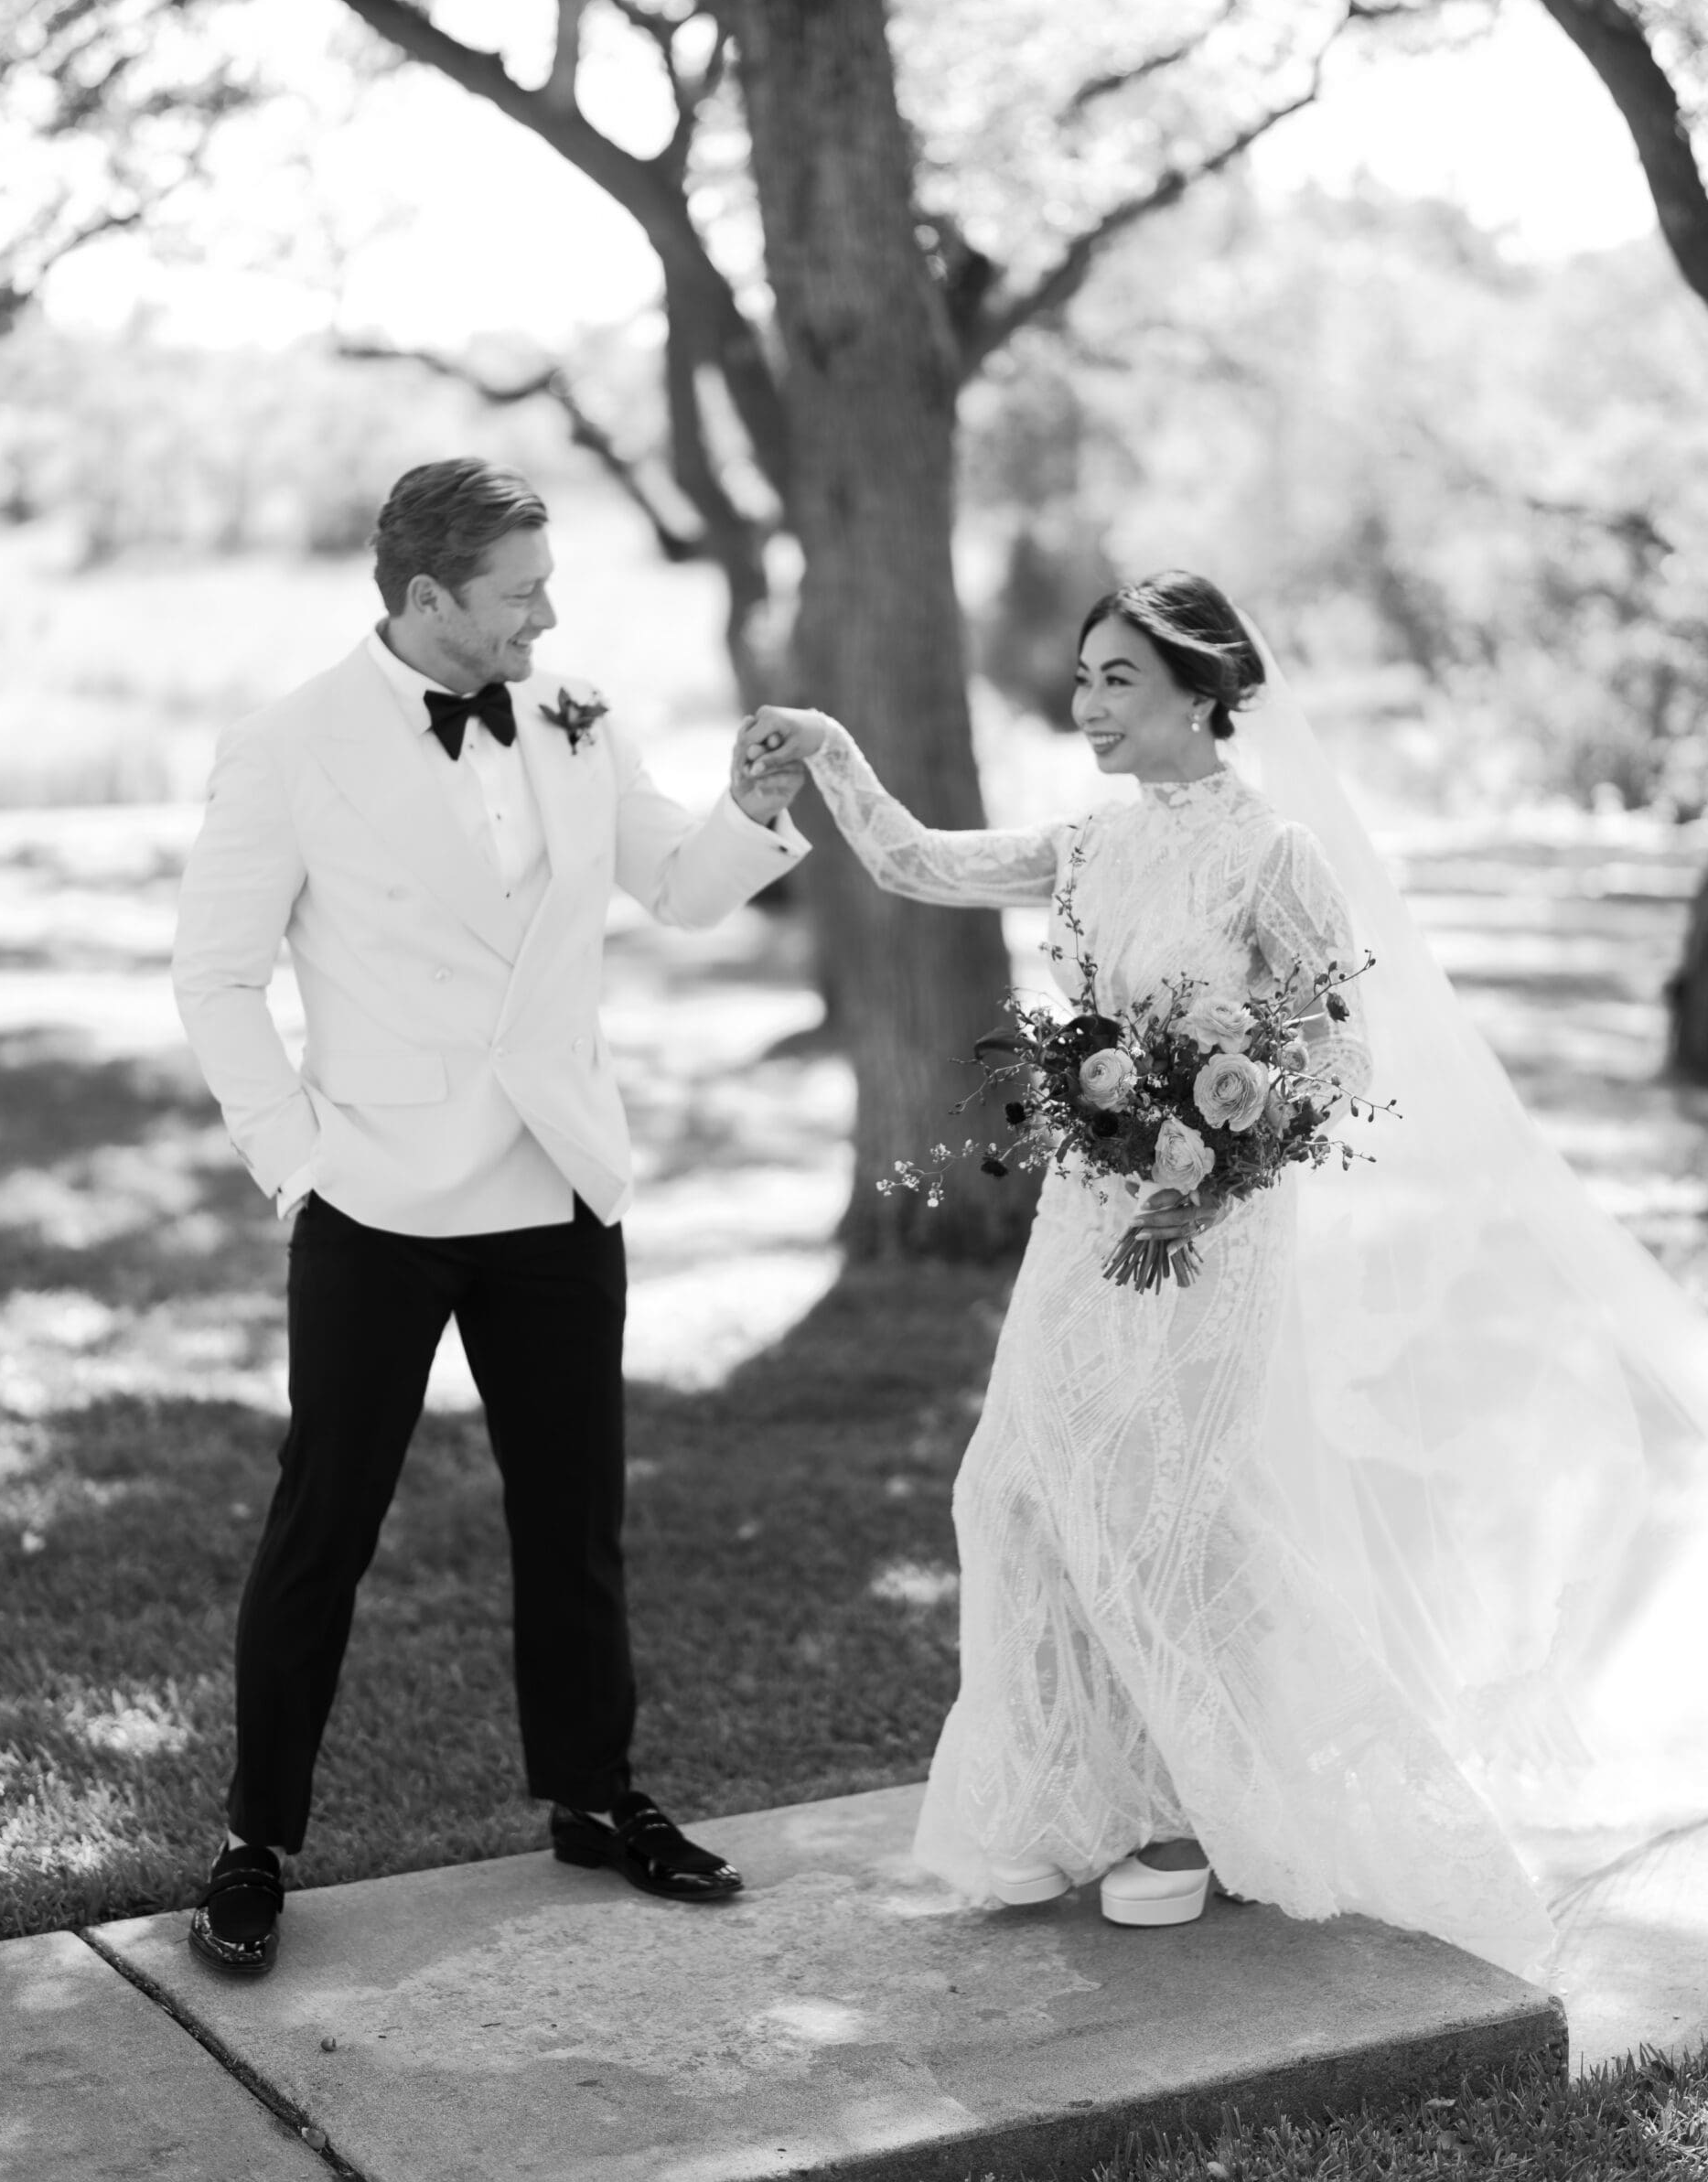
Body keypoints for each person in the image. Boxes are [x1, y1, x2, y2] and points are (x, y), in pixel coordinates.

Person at [741, 571, 1708, 1979]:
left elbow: (1336, 1058)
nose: (1088, 709)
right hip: (1085, 1217)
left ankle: (1199, 1812)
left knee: (1172, 1507)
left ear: (1204, 692)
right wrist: (830, 747)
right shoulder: (1086, 847)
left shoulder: (1276, 859)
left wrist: (1207, 1162)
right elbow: (916, 866)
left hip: (1216, 1231)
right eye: (1081, 683)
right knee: (1017, 1482)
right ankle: (1081, 1793)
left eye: (1118, 682)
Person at [172, 457, 808, 1977]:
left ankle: (594, 1800)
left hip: (556, 1187)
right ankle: (256, 1842)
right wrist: (294, 1161)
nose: (551, 612)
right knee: (323, 1528)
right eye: (521, 592)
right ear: (428, 599)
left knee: (574, 1523)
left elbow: (678, 886)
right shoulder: (289, 747)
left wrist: (745, 812)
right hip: (375, 1200)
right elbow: (215, 978)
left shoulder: (579, 712)